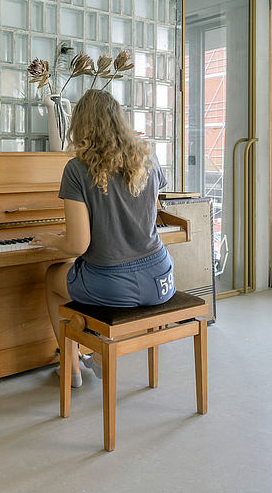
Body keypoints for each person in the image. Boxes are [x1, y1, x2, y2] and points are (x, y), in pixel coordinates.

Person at [36, 89, 175, 387]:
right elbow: (155, 209)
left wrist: (50, 239)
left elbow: (77, 245)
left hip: (116, 286)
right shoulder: (147, 157)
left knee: (52, 277)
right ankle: (92, 347)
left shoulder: (77, 168)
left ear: (80, 125)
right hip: (162, 278)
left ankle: (71, 367)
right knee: (82, 267)